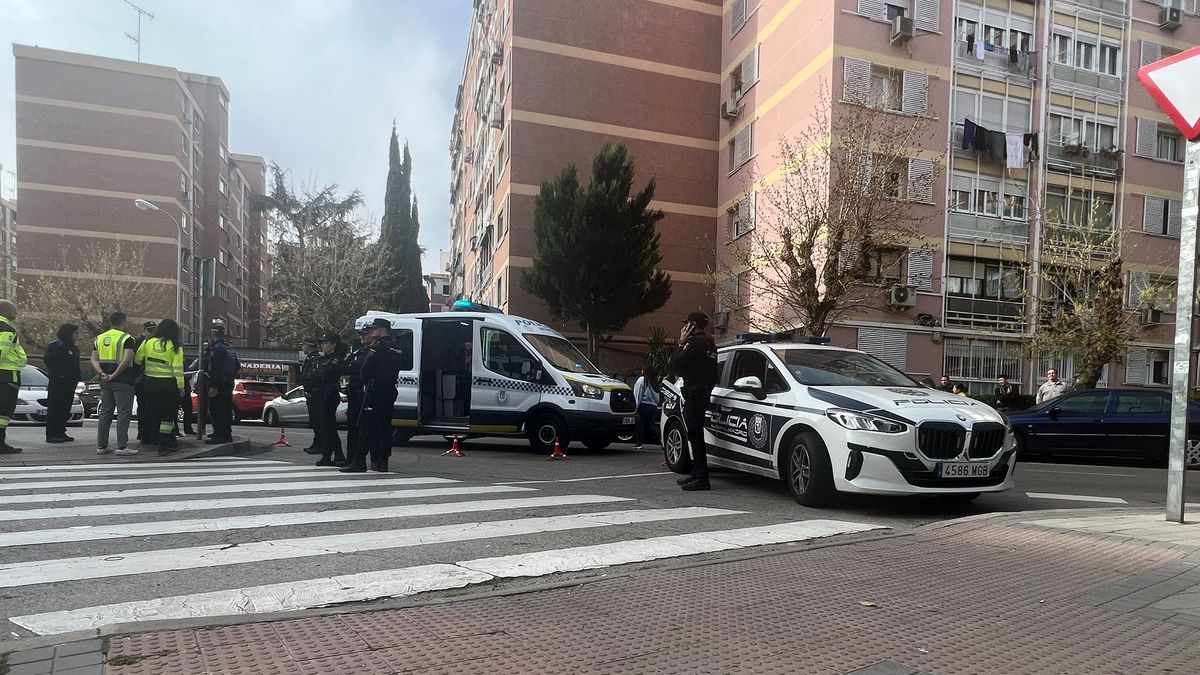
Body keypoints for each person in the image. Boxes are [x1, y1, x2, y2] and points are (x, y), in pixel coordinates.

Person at [345, 318, 403, 473]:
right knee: (384, 427)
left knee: (367, 426)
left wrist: (365, 383)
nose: (372, 332)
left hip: (375, 390)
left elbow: (366, 370)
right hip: (390, 390)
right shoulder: (397, 348)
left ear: (383, 330)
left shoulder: (377, 347)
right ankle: (382, 461)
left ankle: (359, 461)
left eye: (374, 329)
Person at [672, 311, 719, 491]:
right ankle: (697, 473)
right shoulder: (710, 343)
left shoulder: (696, 342)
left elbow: (677, 362)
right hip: (703, 393)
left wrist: (681, 342)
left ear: (693, 325)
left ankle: (701, 477)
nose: (684, 328)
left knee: (695, 437)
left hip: (695, 395)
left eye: (687, 325)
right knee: (696, 436)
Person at [134, 319, 185, 453]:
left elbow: (138, 359)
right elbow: (178, 369)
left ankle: (154, 438)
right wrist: (181, 386)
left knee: (155, 412)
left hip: (150, 383)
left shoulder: (148, 342)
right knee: (167, 416)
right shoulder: (175, 346)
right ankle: (163, 443)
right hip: (168, 384)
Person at [91, 311, 137, 455]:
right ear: (123, 321)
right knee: (124, 413)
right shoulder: (127, 338)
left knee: (105, 413)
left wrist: (101, 373)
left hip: (104, 380)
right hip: (123, 381)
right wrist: (115, 375)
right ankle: (122, 446)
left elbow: (94, 359)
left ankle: (102, 446)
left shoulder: (99, 338)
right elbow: (127, 359)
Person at [311, 333, 346, 467]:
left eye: (326, 343)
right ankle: (331, 455)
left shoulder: (336, 360)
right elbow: (313, 375)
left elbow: (323, 374)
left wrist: (317, 375)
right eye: (323, 343)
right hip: (320, 393)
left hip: (329, 393)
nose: (323, 345)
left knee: (329, 426)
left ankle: (337, 455)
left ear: (333, 345)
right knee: (325, 427)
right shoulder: (322, 359)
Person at [43, 323, 81, 443]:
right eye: (76, 333)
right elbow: (48, 360)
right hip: (59, 382)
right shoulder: (56, 345)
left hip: (70, 383)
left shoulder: (74, 348)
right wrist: (60, 374)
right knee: (56, 407)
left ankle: (60, 431)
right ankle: (52, 434)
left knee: (65, 407)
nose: (77, 335)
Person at [0, 299, 27, 454]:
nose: (15, 313)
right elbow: (1, 351)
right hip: (7, 374)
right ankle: (0, 443)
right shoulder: (6, 328)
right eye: (13, 310)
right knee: (4, 411)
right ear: (4, 310)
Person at [338, 335, 369, 469]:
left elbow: (359, 369)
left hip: (363, 394)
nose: (363, 337)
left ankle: (358, 460)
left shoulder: (371, 352)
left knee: (361, 429)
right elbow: (346, 369)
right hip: (354, 393)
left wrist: (352, 365)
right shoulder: (358, 352)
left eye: (366, 334)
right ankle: (350, 458)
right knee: (352, 429)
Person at [204, 323, 236, 444]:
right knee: (226, 409)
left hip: (219, 384)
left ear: (213, 334)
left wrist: (214, 386)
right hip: (228, 383)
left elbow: (216, 369)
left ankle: (220, 435)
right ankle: (226, 433)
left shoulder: (217, 349)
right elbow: (236, 365)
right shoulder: (229, 348)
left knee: (217, 410)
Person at [132, 321, 157, 445]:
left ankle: (148, 432)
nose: (152, 333)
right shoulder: (138, 343)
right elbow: (136, 362)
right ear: (144, 330)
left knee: (149, 407)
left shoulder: (155, 343)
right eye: (150, 330)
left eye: (154, 330)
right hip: (141, 381)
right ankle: (143, 432)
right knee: (143, 407)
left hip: (150, 379)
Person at [299, 338, 322, 455]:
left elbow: (313, 376)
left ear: (308, 345)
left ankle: (320, 444)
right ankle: (317, 442)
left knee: (318, 421)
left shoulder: (315, 359)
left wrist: (310, 389)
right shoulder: (309, 358)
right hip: (310, 392)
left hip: (315, 394)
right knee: (314, 421)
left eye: (303, 345)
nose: (302, 347)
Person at [632, 364, 661, 450]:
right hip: (653, 406)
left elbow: (638, 393)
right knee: (651, 424)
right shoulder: (654, 381)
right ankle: (662, 440)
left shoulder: (642, 380)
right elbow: (657, 397)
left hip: (643, 405)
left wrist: (635, 406)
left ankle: (639, 443)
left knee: (639, 424)